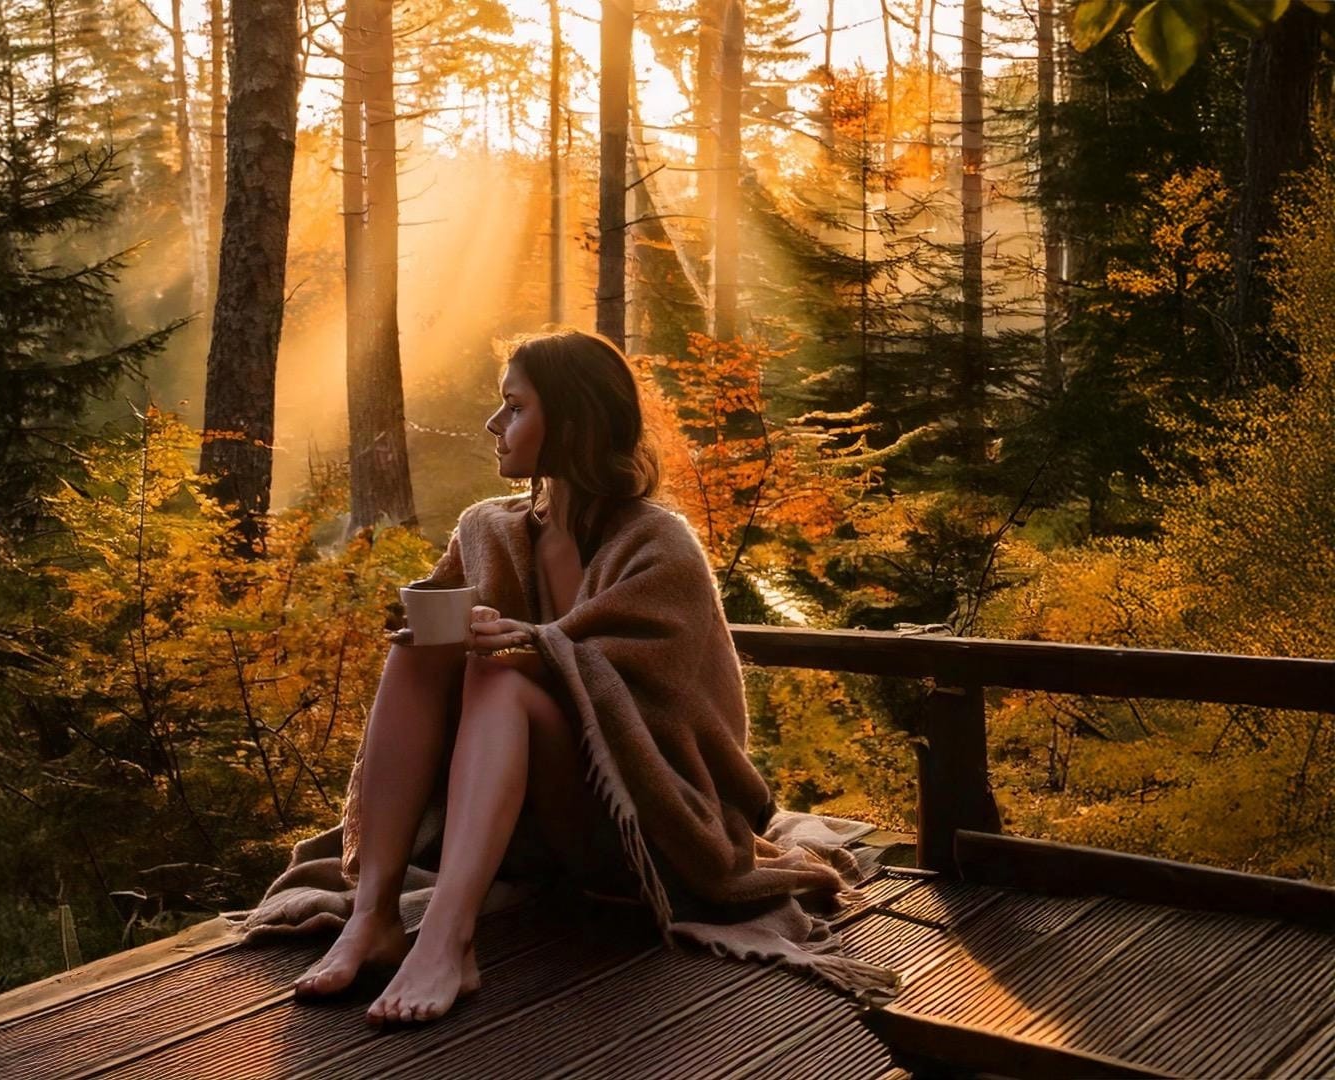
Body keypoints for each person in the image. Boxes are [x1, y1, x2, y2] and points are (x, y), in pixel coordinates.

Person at [243, 328, 897, 1028]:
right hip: (522, 831)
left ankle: (448, 938)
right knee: (415, 652)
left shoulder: (658, 544)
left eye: (515, 407)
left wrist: (530, 644)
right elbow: (439, 658)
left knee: (502, 680)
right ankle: (373, 916)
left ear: (575, 420)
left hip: (643, 828)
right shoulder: (485, 530)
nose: (495, 424)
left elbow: (665, 712)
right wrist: (458, 639)